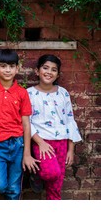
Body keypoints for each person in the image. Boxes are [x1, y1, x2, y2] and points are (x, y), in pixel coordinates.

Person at [0, 49, 39, 200]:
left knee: (13, 190)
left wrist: (27, 153)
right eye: (3, 66)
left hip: (17, 145)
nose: (7, 70)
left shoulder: (22, 92)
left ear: (17, 69)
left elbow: (26, 124)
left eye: (11, 66)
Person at [27, 54, 82, 200]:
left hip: (62, 143)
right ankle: (37, 175)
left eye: (53, 69)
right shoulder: (29, 94)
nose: (49, 72)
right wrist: (40, 142)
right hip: (42, 142)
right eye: (45, 68)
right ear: (37, 71)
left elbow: (69, 120)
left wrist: (71, 149)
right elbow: (27, 122)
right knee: (50, 173)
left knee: (56, 188)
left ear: (57, 74)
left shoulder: (63, 93)